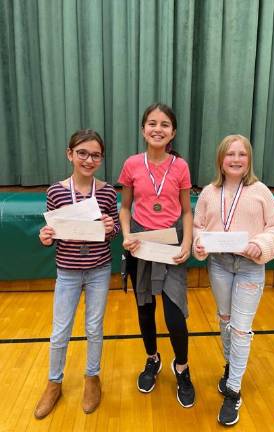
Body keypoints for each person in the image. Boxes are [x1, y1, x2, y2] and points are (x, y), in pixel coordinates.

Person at [193, 134, 274, 426]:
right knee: (224, 319)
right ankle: (231, 367)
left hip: (249, 267)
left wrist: (261, 244)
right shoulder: (208, 192)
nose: (235, 159)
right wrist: (198, 243)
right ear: (220, 159)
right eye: (229, 154)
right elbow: (198, 226)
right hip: (219, 265)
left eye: (241, 154)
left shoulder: (261, 191)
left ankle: (233, 390)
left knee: (241, 329)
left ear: (249, 160)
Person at [34, 129, 120, 419]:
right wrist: (45, 236)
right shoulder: (56, 192)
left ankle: (92, 378)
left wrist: (111, 227)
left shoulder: (107, 191)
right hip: (68, 271)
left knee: (94, 328)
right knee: (60, 330)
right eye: (82, 153)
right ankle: (54, 382)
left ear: (101, 159)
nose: (88, 159)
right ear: (69, 154)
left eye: (95, 154)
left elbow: (116, 229)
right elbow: (53, 233)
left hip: (99, 269)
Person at [118, 103, 195, 408]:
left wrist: (187, 243)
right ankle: (153, 359)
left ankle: (182, 367)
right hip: (140, 245)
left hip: (171, 245)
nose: (158, 129)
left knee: (175, 314)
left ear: (173, 132)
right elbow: (125, 208)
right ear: (143, 129)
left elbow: (188, 212)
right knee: (145, 308)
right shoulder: (132, 164)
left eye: (165, 124)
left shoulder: (181, 167)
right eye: (152, 123)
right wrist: (126, 235)